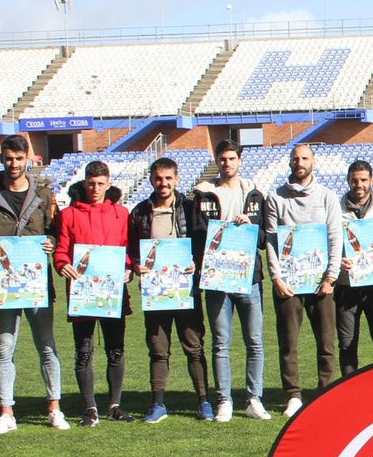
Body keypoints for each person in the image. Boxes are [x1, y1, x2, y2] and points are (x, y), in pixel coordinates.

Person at [0, 134, 69, 433]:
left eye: (18, 159)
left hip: (36, 282)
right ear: (2, 159)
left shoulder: (44, 194)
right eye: (8, 158)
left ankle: (54, 407)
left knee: (46, 346)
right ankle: (6, 412)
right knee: (3, 347)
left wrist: (50, 242)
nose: (13, 164)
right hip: (1, 283)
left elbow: (57, 231)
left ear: (27, 160)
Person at [128, 157, 211, 422]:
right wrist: (137, 265)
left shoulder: (190, 207)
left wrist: (196, 264)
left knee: (194, 346)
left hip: (186, 289)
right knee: (158, 348)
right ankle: (158, 404)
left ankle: (203, 401)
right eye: (158, 178)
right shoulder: (140, 211)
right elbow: (131, 248)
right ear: (151, 180)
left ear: (176, 180)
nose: (163, 183)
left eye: (168, 178)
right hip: (156, 292)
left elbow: (203, 242)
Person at [263, 143, 343, 417]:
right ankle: (293, 395)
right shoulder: (275, 198)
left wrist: (331, 276)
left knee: (326, 343)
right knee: (288, 342)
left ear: (313, 162)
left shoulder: (327, 197)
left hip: (322, 283)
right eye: (296, 158)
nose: (300, 162)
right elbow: (273, 241)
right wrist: (276, 277)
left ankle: (325, 391)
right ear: (290, 162)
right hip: (289, 284)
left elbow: (335, 237)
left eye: (305, 158)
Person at [194, 139, 270, 422]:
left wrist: (251, 227)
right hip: (217, 279)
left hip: (249, 278)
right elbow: (197, 236)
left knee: (255, 341)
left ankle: (253, 399)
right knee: (221, 342)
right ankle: (224, 400)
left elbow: (263, 240)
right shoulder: (203, 194)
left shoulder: (253, 194)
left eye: (231, 159)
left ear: (240, 160)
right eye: (222, 159)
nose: (227, 163)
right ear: (217, 160)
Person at [53, 160, 134, 426]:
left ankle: (115, 404)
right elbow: (62, 249)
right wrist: (62, 264)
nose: (95, 188)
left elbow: (127, 248)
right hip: (83, 293)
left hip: (113, 292)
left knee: (116, 350)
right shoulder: (68, 215)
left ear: (108, 184)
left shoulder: (121, 214)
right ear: (84, 183)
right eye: (91, 183)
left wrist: (128, 268)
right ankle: (90, 407)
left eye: (100, 184)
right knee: (84, 351)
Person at [334, 158, 373, 374]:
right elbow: (326, 245)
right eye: (354, 180)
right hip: (346, 286)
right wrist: (337, 261)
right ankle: (349, 388)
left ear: (372, 180)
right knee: (347, 343)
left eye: (363, 180)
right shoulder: (334, 211)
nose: (359, 185)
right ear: (348, 181)